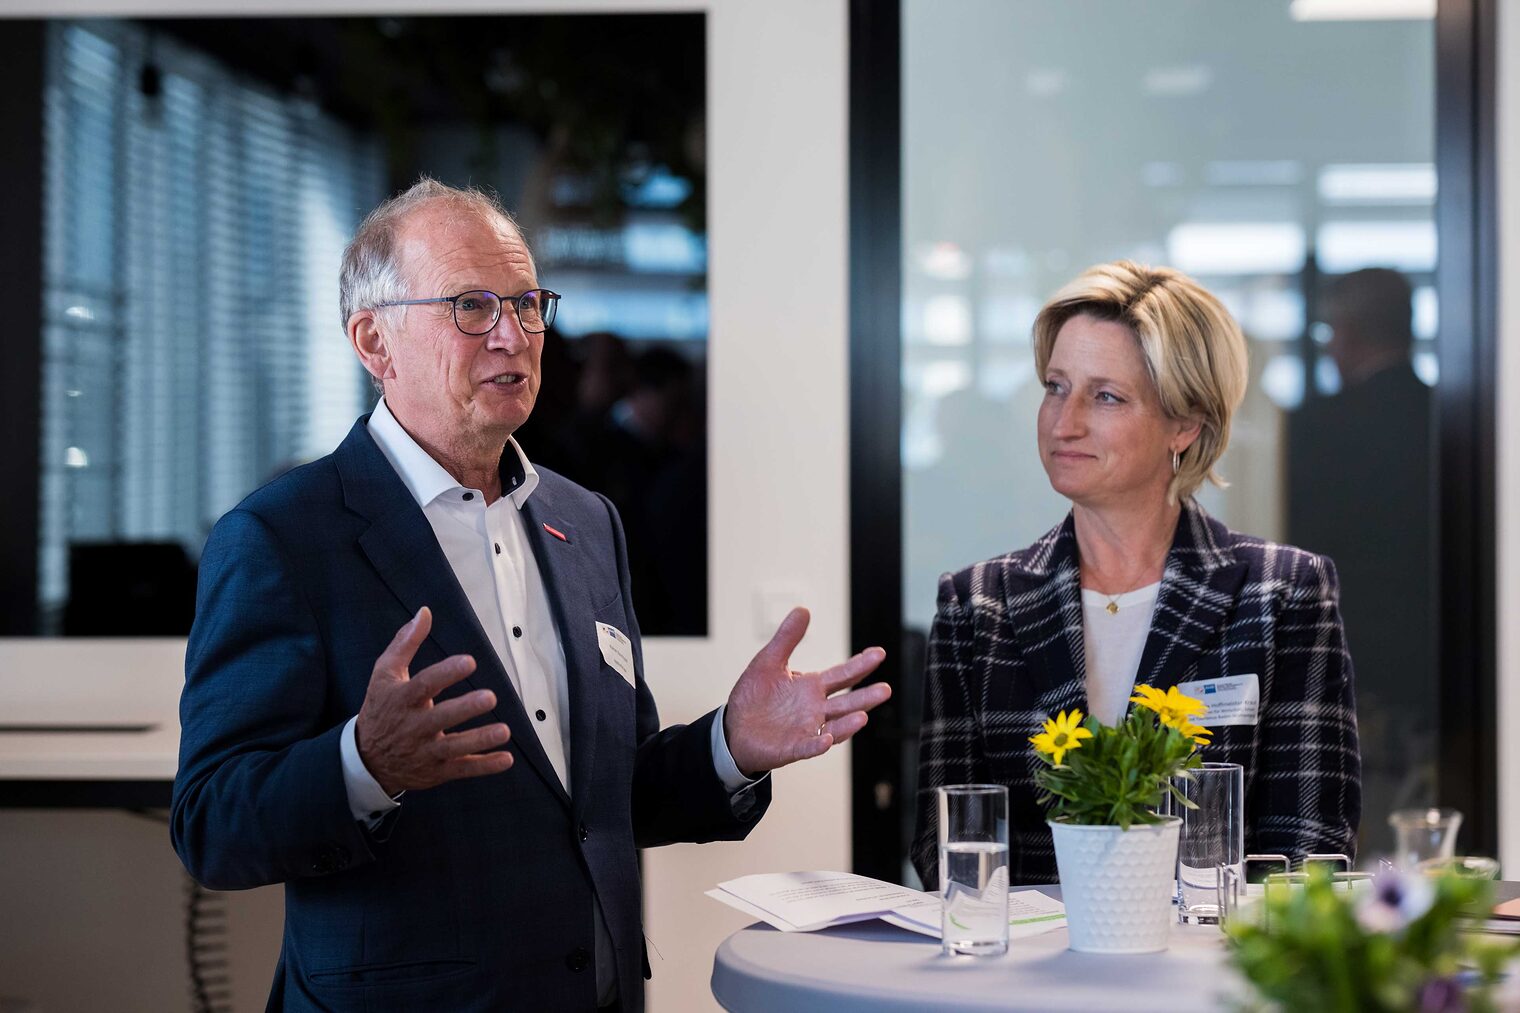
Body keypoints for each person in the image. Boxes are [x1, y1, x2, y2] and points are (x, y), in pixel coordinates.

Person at [170, 178, 889, 1012]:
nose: (514, 334)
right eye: (472, 305)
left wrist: (730, 745)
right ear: (375, 340)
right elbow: (212, 826)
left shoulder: (586, 523)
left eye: (527, 303)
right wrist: (363, 764)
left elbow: (602, 798)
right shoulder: (283, 537)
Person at [911, 261, 1361, 888]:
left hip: (1213, 975)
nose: (1063, 423)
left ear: (1185, 423)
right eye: (1054, 386)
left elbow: (1309, 850)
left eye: (1105, 396)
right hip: (1029, 979)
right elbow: (949, 851)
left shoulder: (1282, 593)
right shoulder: (975, 605)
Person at [1287, 268, 1435, 847]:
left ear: (1345, 332)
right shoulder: (1453, 418)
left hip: (1353, 649)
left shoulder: (1318, 429)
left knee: (1359, 817)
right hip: (1436, 657)